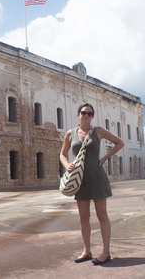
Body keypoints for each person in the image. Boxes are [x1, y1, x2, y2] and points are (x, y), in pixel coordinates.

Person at [59, 103, 124, 265]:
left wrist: (105, 157)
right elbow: (62, 154)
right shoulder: (70, 133)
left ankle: (105, 252)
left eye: (89, 113)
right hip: (79, 179)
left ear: (92, 116)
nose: (86, 115)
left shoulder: (99, 131)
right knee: (83, 217)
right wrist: (67, 165)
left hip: (97, 177)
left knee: (102, 215)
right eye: (83, 112)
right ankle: (86, 251)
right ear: (78, 114)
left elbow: (119, 143)